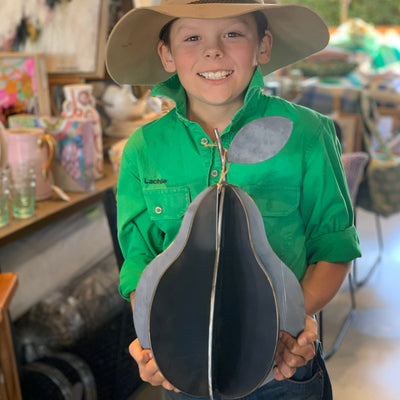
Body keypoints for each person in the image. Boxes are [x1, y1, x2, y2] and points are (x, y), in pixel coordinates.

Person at [105, 1, 362, 399]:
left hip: (282, 365)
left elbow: (333, 247)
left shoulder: (309, 134)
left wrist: (288, 324)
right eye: (192, 37)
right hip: (186, 362)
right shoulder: (143, 148)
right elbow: (140, 257)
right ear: (167, 55)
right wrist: (153, 332)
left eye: (233, 34)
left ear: (263, 46)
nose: (213, 51)